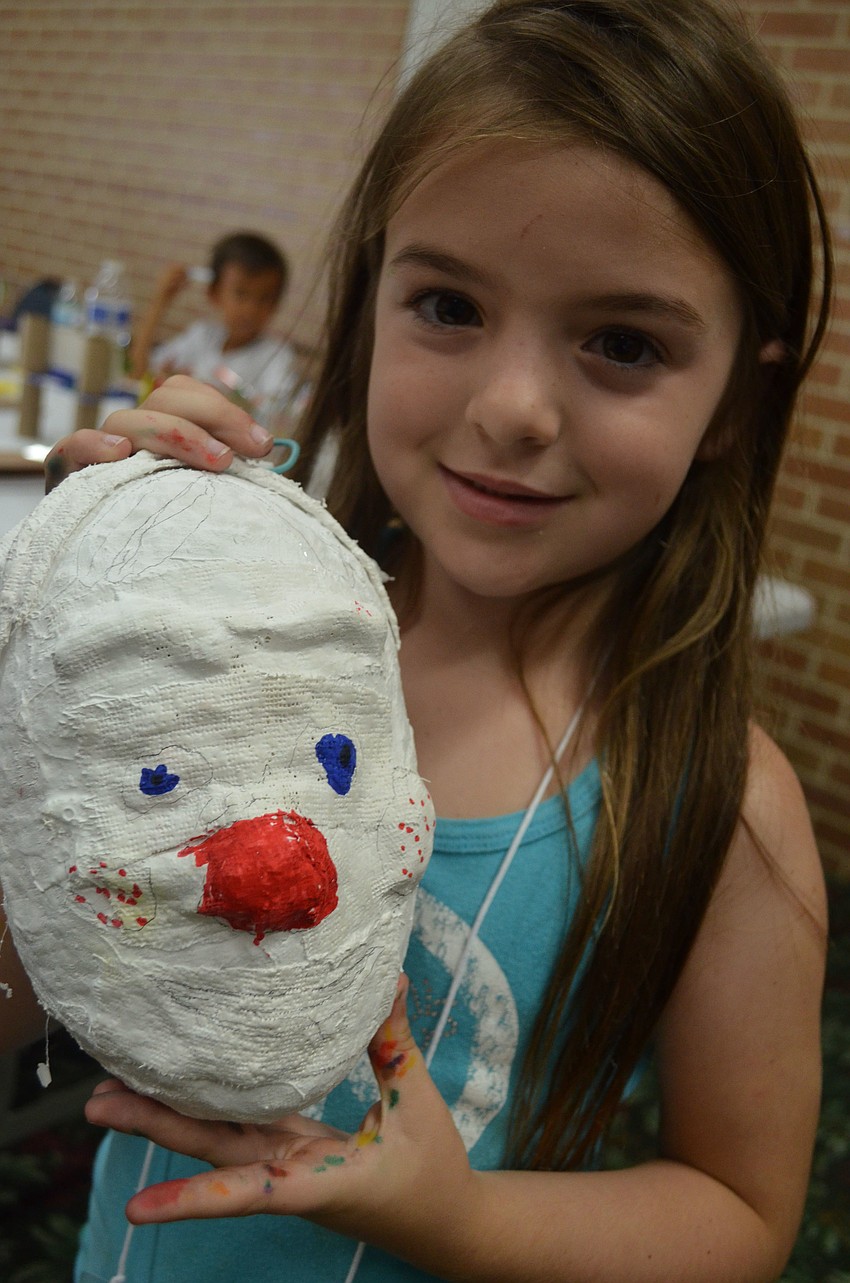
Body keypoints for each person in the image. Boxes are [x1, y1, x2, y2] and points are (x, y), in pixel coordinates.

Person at [0, 0, 830, 1280]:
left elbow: (742, 1214)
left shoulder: (721, 808)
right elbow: (28, 993)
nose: (512, 408)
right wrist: (67, 633)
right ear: (369, 300)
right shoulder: (225, 644)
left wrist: (458, 1217)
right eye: (447, 303)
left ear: (737, 398)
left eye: (622, 343)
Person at [129, 230, 299, 410]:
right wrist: (161, 301)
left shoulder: (277, 356)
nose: (251, 309)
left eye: (265, 298)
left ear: (276, 303)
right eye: (241, 294)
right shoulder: (201, 336)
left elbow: (274, 413)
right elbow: (137, 373)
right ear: (214, 293)